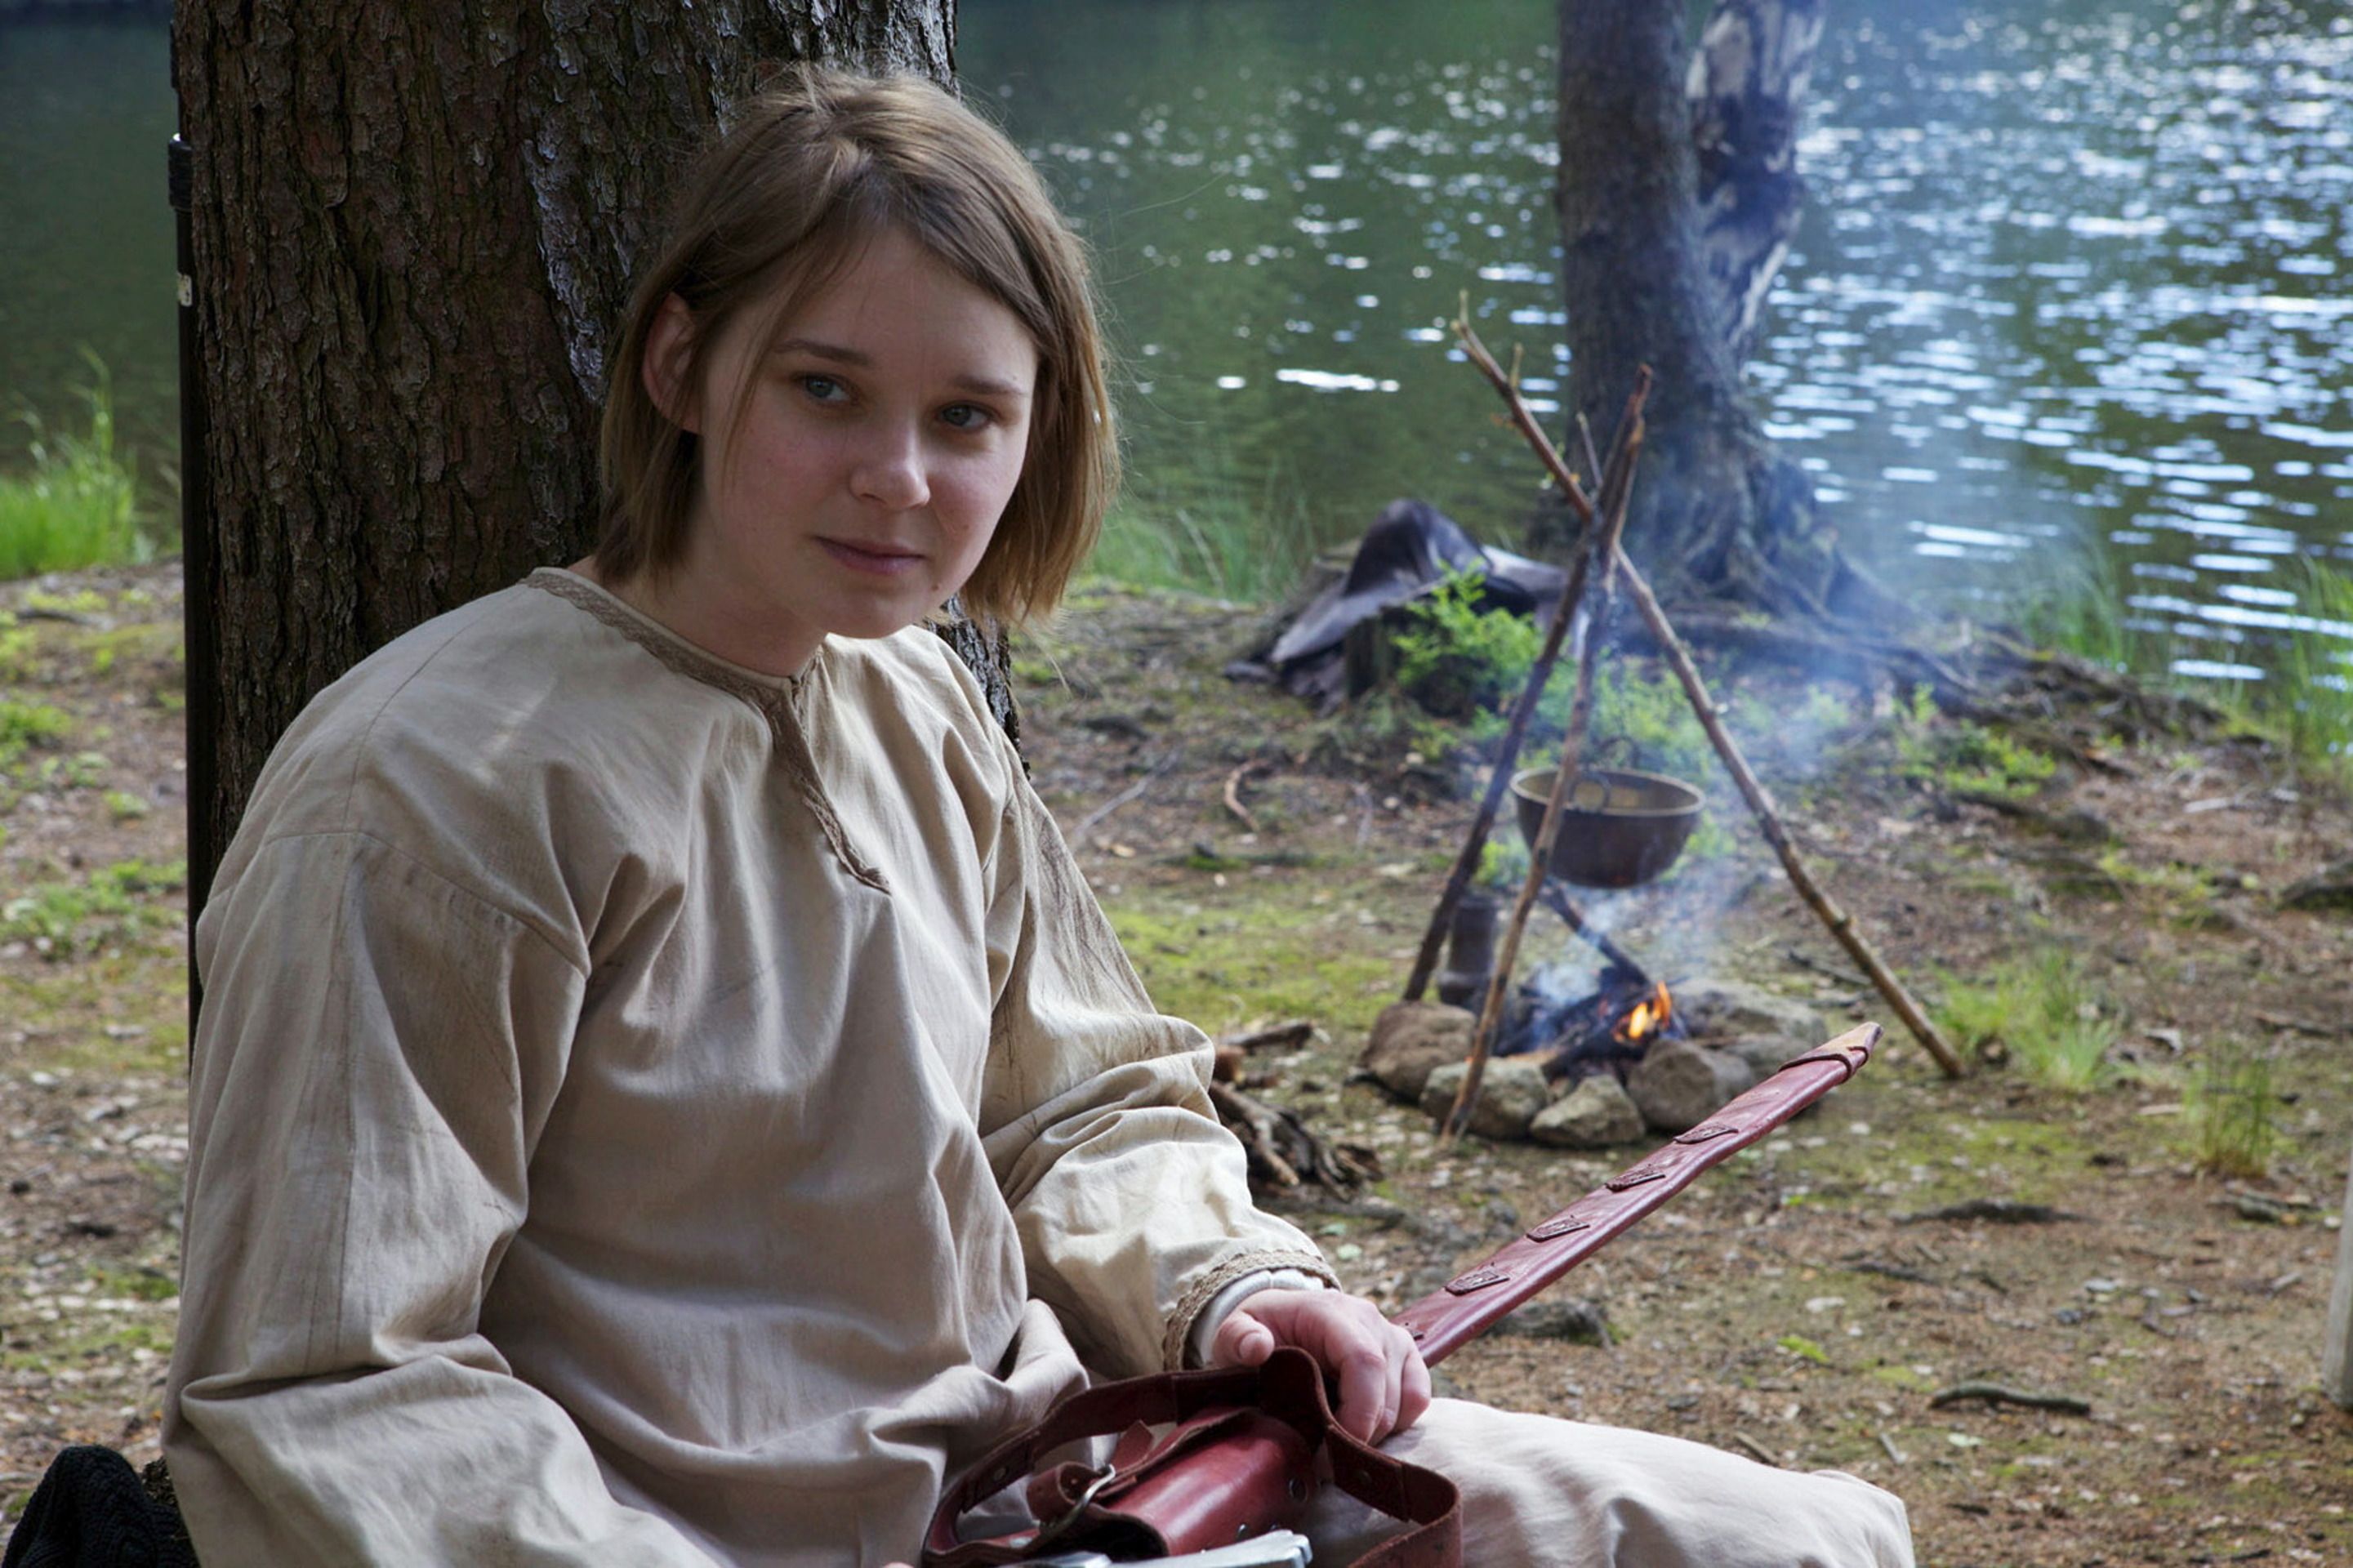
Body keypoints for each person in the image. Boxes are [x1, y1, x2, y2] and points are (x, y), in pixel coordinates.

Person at [163, 66, 1914, 1567]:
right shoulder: (432, 787)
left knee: (1804, 1542)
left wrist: (1231, 1288)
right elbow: (330, 1387)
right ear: (684, 365)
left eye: (966, 416)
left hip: (1088, 1489)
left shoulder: (915, 696)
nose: (900, 478)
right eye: (825, 389)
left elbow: (1077, 1104)